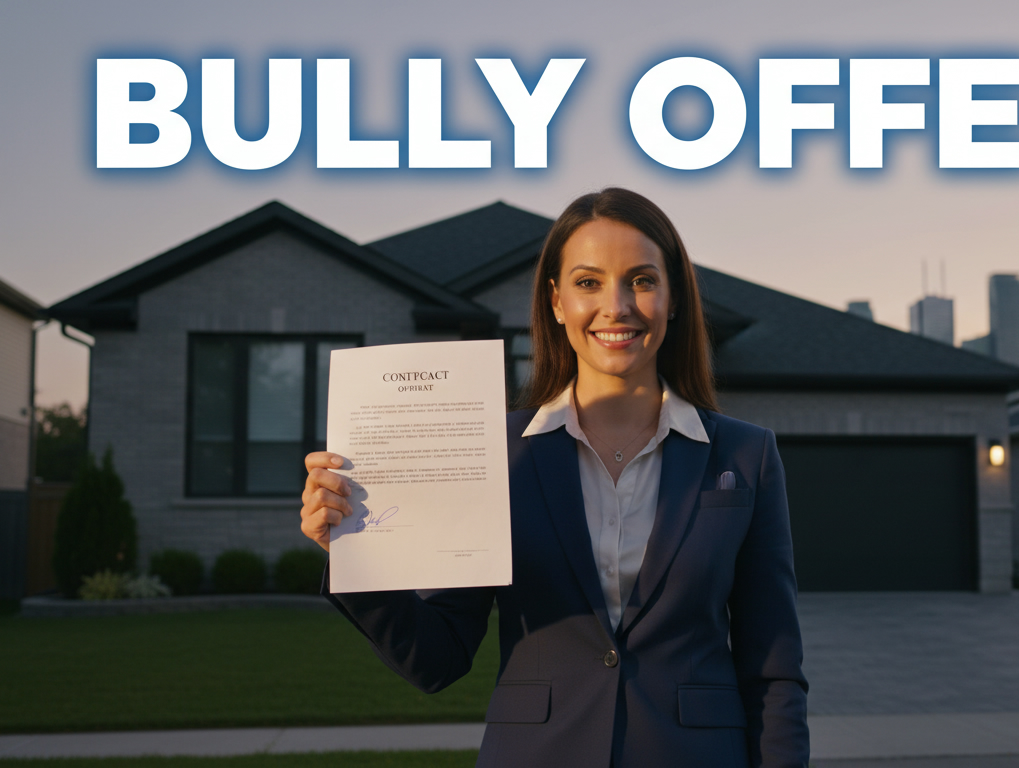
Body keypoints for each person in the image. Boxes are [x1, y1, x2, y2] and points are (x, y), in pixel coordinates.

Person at [300, 187, 808, 767]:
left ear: (672, 300)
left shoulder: (746, 455)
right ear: (557, 301)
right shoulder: (495, 453)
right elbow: (436, 659)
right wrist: (354, 552)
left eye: (642, 280)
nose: (615, 306)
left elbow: (774, 673)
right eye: (588, 283)